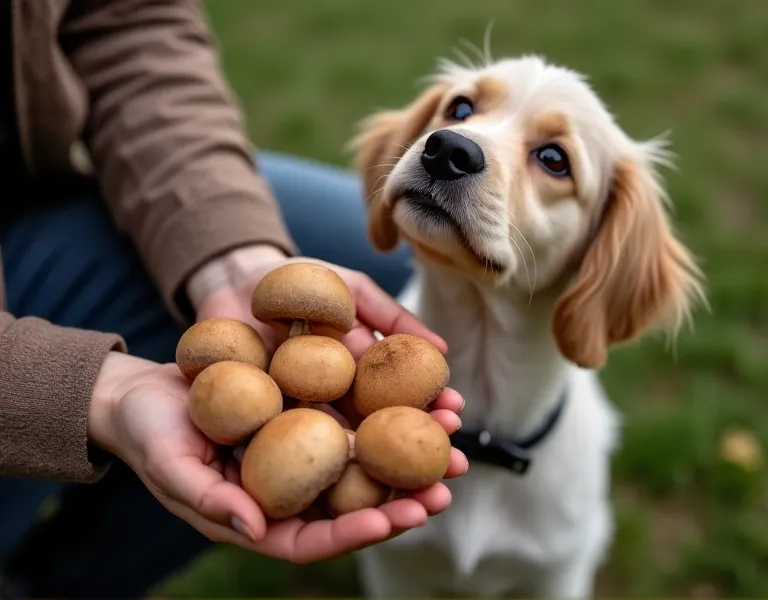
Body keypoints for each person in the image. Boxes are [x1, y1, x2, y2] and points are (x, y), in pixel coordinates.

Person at [0, 0, 468, 597]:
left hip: (25, 196)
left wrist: (231, 257)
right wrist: (91, 391)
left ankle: (62, 578)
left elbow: (129, 22)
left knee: (360, 243)